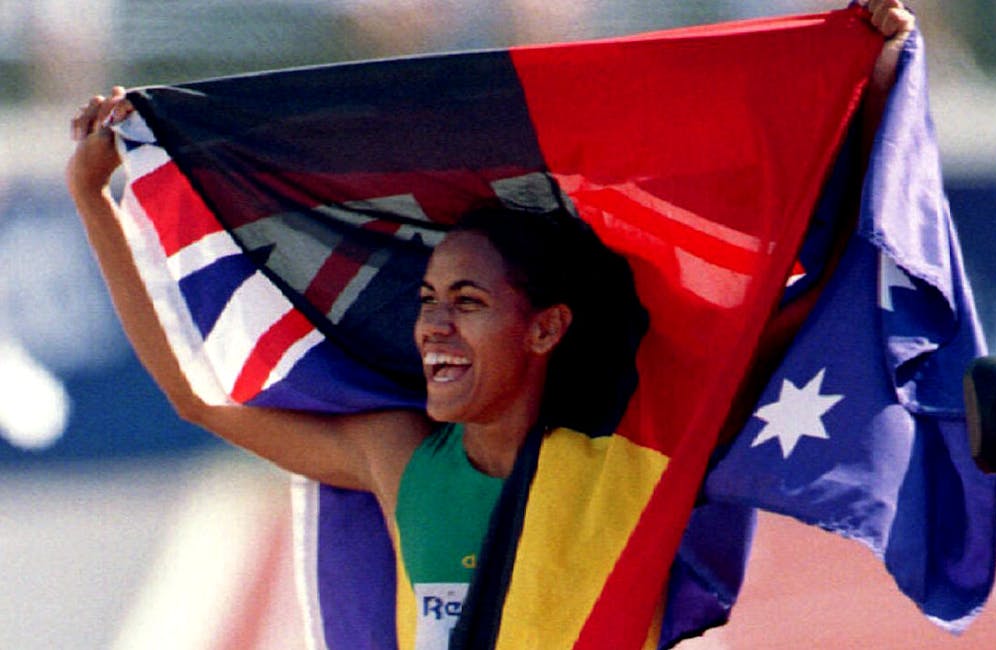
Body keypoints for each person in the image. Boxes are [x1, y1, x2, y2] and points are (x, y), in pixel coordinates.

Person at [67, 1, 914, 645]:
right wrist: (92, 197)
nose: (433, 326)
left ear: (545, 330)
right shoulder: (397, 460)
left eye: (467, 304)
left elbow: (810, 291)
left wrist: (867, 87)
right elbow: (198, 400)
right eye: (430, 302)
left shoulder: (634, 458)